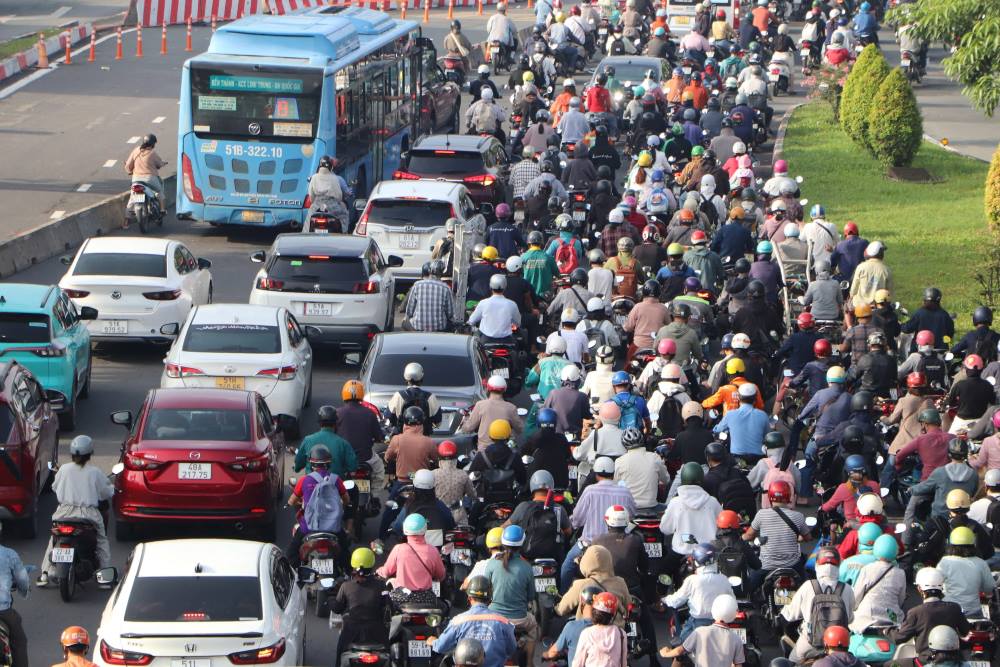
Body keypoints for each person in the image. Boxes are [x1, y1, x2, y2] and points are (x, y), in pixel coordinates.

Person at [38, 435, 113, 587]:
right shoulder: (95, 472)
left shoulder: (64, 469)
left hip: (64, 513)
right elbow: (106, 492)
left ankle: (45, 574)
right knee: (101, 541)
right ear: (90, 453)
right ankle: (104, 579)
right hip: (88, 515)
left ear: (72, 453)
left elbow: (55, 487)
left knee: (53, 540)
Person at [561, 457, 636, 589]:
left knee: (567, 566)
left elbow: (577, 520)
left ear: (596, 474)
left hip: (589, 545)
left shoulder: (590, 490)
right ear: (613, 474)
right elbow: (632, 515)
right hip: (619, 544)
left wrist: (571, 523)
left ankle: (563, 597)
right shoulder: (625, 492)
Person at [781, 547, 855, 663]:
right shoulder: (847, 589)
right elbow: (850, 619)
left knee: (791, 661)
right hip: (839, 646)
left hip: (810, 644)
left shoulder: (808, 586)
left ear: (817, 564)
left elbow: (790, 615)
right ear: (839, 565)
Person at [889, 566, 970, 666]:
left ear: (919, 589)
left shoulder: (916, 612)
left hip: (925, 661)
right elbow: (966, 630)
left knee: (888, 665)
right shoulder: (954, 608)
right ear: (941, 587)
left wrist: (886, 631)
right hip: (953, 660)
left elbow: (899, 638)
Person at [482, 526, 539, 664]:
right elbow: (531, 596)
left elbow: (485, 590)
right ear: (522, 544)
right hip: (520, 620)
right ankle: (530, 663)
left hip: (494, 618)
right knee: (534, 627)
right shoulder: (526, 567)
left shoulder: (491, 564)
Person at [432, 575, 517, 667]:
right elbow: (511, 649)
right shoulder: (503, 621)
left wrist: (433, 642)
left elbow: (440, 647)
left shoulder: (458, 621)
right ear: (490, 599)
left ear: (469, 598)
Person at [286, 445, 350, 566]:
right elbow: (346, 499)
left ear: (311, 464)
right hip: (334, 528)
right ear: (328, 463)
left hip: (309, 527)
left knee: (291, 553)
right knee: (345, 550)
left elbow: (292, 501)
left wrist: (295, 502)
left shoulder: (304, 480)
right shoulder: (336, 480)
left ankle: (295, 578)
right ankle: (348, 575)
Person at [744, 481, 811, 589]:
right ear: (789, 496)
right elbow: (808, 537)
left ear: (770, 496)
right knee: (806, 587)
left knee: (748, 590)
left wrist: (739, 538)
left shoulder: (761, 514)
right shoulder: (798, 516)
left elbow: (749, 536)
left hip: (766, 566)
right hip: (792, 566)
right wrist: (797, 537)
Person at [665, 542, 736, 640]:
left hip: (698, 623)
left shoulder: (692, 580)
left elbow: (676, 601)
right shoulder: (724, 579)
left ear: (697, 561)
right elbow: (733, 600)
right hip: (722, 623)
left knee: (682, 643)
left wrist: (665, 599)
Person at [331, 548, 390, 665]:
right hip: (377, 633)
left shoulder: (346, 586)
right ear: (372, 564)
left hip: (351, 632)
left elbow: (337, 608)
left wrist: (330, 600)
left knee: (340, 652)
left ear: (353, 566)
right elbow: (388, 606)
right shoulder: (382, 586)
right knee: (390, 654)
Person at [377, 513, 446, 606]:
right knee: (445, 608)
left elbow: (386, 572)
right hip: (426, 599)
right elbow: (440, 575)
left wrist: (378, 571)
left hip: (402, 598)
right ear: (425, 529)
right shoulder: (433, 551)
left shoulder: (398, 549)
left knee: (384, 608)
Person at [660, 595, 746, 667]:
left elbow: (680, 651)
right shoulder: (736, 639)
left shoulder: (700, 632)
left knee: (680, 657)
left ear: (714, 610)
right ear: (734, 615)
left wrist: (665, 653)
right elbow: (738, 665)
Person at [907, 437, 978, 523]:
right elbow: (973, 492)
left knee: (911, 512)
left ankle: (906, 536)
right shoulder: (973, 474)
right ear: (966, 454)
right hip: (962, 519)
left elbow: (925, 487)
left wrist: (911, 489)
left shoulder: (940, 472)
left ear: (949, 453)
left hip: (939, 519)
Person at [557, 544, 630, 624]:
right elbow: (628, 608)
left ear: (586, 563)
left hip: (588, 632)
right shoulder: (620, 582)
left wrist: (555, 608)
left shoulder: (581, 584)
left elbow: (561, 610)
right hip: (617, 631)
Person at [848, 534, 905, 634]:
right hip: (892, 621)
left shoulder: (867, 569)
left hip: (867, 620)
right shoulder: (900, 573)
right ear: (896, 551)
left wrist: (853, 608)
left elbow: (856, 597)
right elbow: (900, 600)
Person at [337, 380, 386, 491]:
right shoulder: (370, 413)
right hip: (366, 459)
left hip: (344, 459)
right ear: (361, 394)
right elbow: (379, 438)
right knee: (380, 470)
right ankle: (373, 492)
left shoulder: (338, 413)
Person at [460, 376, 524, 450]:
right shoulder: (511, 408)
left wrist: (465, 422)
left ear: (488, 388)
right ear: (505, 389)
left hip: (484, 450)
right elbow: (520, 429)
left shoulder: (480, 405)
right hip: (506, 450)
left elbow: (468, 428)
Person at [614, 428, 669, 510]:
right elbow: (666, 480)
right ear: (642, 440)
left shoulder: (619, 461)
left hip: (629, 507)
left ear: (624, 444)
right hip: (652, 506)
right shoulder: (654, 457)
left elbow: (616, 485)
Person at [294, 405, 358, 475]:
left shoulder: (307, 440)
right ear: (336, 423)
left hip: (312, 484)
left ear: (319, 423)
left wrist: (297, 467)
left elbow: (298, 465)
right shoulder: (343, 443)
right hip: (336, 484)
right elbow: (353, 467)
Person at [714, 384, 769, 463]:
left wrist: (715, 428)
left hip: (737, 458)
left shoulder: (730, 414)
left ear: (739, 398)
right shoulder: (763, 415)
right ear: (755, 399)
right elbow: (767, 436)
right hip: (758, 458)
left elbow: (718, 430)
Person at [570, 591, 627, 667]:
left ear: (594, 612)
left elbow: (577, 664)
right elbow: (623, 663)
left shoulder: (587, 634)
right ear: (612, 615)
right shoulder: (621, 634)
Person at [544, 587, 599, 665]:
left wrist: (545, 655)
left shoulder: (573, 627)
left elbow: (553, 652)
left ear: (582, 603)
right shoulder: (616, 632)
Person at [388, 362, 442, 435]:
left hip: (402, 439)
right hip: (423, 440)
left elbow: (389, 418)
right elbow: (438, 422)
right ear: (421, 377)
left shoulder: (398, 395)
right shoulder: (430, 397)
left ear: (405, 378)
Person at [946, 354, 995, 433]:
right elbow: (992, 401)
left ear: (966, 369)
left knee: (950, 440)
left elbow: (951, 403)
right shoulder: (988, 385)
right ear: (982, 369)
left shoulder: (959, 385)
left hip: (961, 422)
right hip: (981, 422)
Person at [0, 527, 28, 667]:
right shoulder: (9, 554)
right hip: (4, 611)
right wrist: (24, 591)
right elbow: (22, 580)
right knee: (19, 642)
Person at [124, 133, 167, 216]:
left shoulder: (136, 150)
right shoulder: (152, 153)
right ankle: (162, 210)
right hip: (150, 179)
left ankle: (126, 220)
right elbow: (159, 164)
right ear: (153, 144)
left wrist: (129, 171)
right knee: (159, 191)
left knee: (132, 199)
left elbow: (128, 166)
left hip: (136, 179)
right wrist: (163, 163)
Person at [543, 365, 590, 433]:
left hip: (555, 433)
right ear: (578, 380)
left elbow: (545, 412)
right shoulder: (583, 397)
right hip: (575, 435)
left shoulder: (553, 393)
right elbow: (587, 416)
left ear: (562, 381)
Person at [522, 231, 562, 299]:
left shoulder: (523, 257)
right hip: (545, 296)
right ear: (541, 243)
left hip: (528, 295)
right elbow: (558, 274)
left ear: (529, 243)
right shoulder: (549, 257)